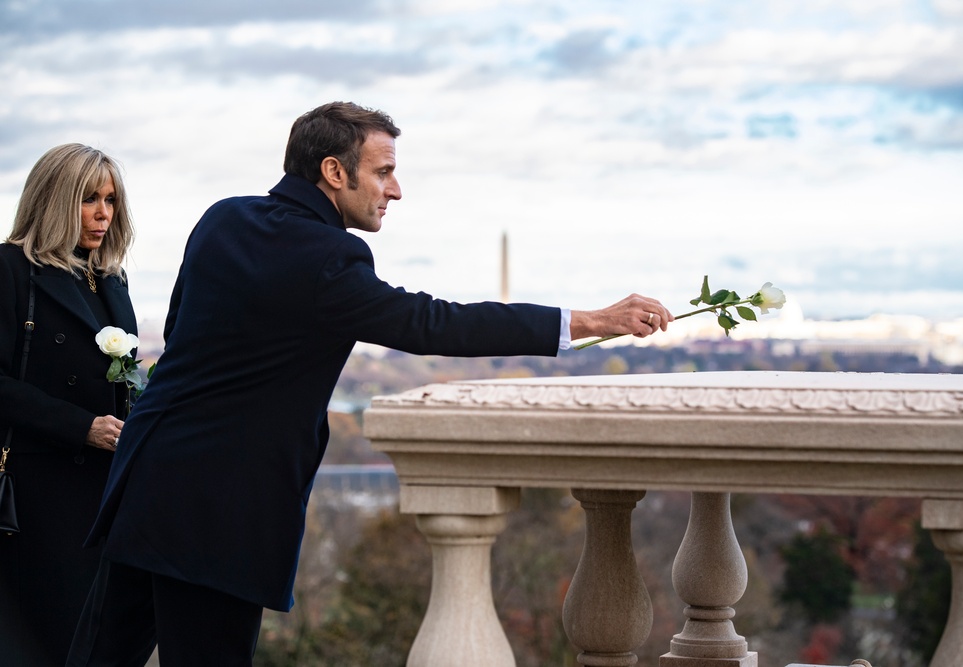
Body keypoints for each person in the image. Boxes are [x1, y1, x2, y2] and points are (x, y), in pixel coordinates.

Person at [66, 102, 673, 666]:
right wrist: (588, 321)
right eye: (383, 172)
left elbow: (178, 332)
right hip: (224, 509)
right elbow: (431, 322)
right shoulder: (330, 257)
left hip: (148, 480)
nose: (396, 189)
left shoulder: (224, 218)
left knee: (100, 655)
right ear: (334, 171)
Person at [0, 143, 138, 665]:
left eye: (110, 199)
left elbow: (122, 380)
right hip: (36, 496)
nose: (104, 214)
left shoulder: (109, 277)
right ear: (54, 199)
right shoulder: (11, 269)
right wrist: (80, 427)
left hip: (103, 496)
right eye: (88, 199)